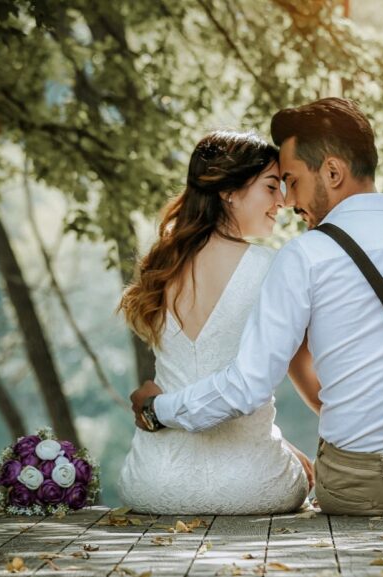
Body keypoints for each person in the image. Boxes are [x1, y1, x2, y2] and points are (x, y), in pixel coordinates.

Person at [131, 98, 383, 515]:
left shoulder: (302, 257)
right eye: (277, 184)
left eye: (292, 181)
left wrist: (159, 409)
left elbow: (248, 385)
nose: (288, 200)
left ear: (332, 172)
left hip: (347, 490)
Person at [117, 130, 315, 515]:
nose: (283, 201)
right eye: (271, 186)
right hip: (252, 486)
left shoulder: (160, 267)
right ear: (228, 191)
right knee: (304, 475)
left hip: (153, 484)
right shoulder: (273, 267)